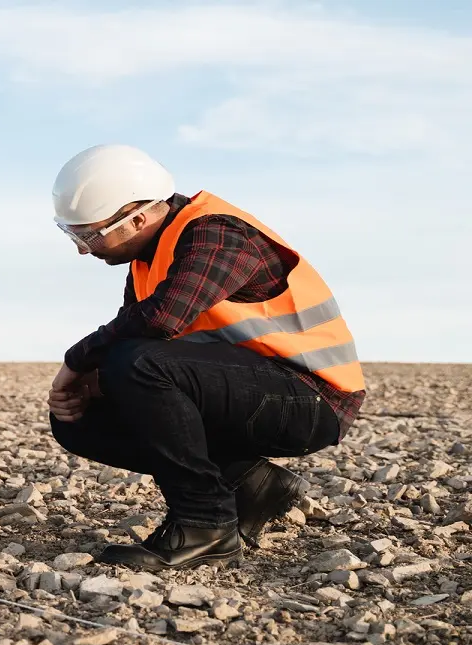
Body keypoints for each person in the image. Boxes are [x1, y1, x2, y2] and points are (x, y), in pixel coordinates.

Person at [45, 144, 366, 571]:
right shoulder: (146, 262)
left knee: (135, 361)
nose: (83, 250)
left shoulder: (216, 234)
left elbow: (161, 320)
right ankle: (250, 483)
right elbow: (138, 335)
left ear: (137, 217)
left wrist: (76, 360)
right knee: (79, 417)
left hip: (309, 399)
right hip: (244, 393)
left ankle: (204, 524)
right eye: (73, 235)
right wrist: (93, 382)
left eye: (89, 235)